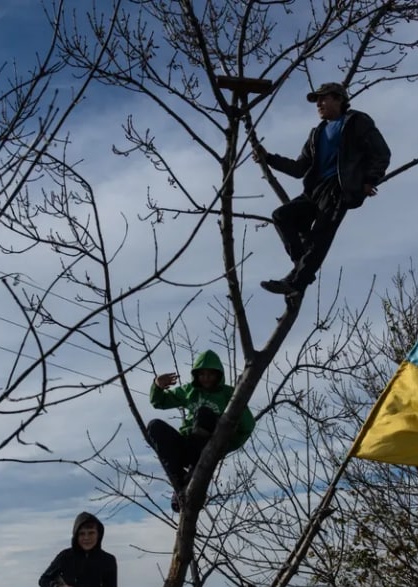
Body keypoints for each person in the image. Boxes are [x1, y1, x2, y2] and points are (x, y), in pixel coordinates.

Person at [251, 81, 391, 298]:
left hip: (338, 188)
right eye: (317, 100)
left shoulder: (356, 122)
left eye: (323, 98)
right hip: (314, 191)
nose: (319, 104)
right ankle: (300, 265)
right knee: (281, 216)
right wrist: (268, 158)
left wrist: (370, 179)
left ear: (339, 99)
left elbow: (381, 152)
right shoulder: (317, 133)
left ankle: (297, 282)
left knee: (319, 237)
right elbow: (299, 168)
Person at [148, 350, 255, 512]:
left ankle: (194, 475)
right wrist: (157, 386)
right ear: (196, 375)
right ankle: (181, 485)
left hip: (207, 447)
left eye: (211, 374)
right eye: (202, 374)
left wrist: (225, 447)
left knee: (204, 413)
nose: (206, 378)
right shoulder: (190, 391)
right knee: (154, 426)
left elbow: (247, 425)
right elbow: (159, 402)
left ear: (218, 375)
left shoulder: (228, 394)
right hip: (187, 444)